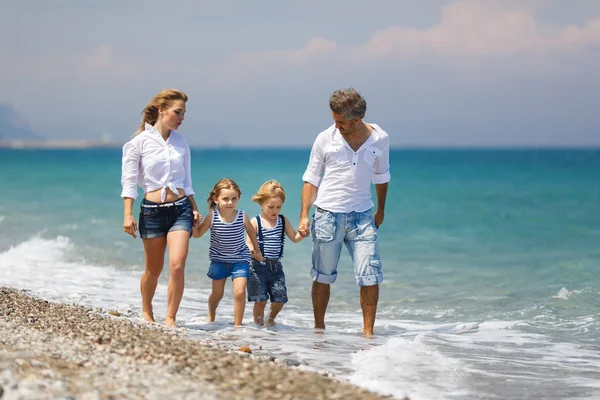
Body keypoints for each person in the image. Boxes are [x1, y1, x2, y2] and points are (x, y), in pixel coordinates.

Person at [298, 88, 391, 337]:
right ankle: (319, 329)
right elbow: (311, 179)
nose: (336, 125)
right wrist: (304, 214)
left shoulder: (380, 138)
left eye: (340, 121)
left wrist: (381, 210)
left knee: (370, 275)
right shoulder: (324, 139)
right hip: (327, 215)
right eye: (334, 119)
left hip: (363, 216)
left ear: (356, 120)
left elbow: (381, 177)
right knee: (323, 276)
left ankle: (368, 334)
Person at [121, 89, 202, 328]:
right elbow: (128, 182)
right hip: (152, 212)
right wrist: (127, 214)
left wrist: (194, 208)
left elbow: (186, 181)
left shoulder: (181, 142)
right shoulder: (138, 143)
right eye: (178, 112)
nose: (181, 118)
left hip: (180, 210)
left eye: (184, 114)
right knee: (153, 270)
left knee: (177, 265)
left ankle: (170, 318)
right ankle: (147, 311)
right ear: (161, 110)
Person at [192, 178, 262, 327]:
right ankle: (211, 314)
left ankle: (237, 326)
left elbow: (251, 231)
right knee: (217, 295)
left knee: (239, 292)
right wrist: (193, 223)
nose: (230, 202)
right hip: (219, 261)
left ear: (238, 199)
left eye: (233, 199)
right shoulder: (212, 216)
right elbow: (197, 235)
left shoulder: (242, 215)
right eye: (225, 199)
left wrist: (256, 249)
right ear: (216, 199)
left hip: (240, 260)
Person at [245, 180, 305, 326]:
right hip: (257, 266)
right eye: (270, 207)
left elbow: (294, 238)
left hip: (276, 267)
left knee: (280, 299)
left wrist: (302, 234)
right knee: (260, 300)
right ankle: (258, 325)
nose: (275, 211)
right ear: (261, 204)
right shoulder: (255, 221)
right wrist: (254, 252)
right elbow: (248, 243)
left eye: (279, 207)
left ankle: (270, 320)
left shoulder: (283, 221)